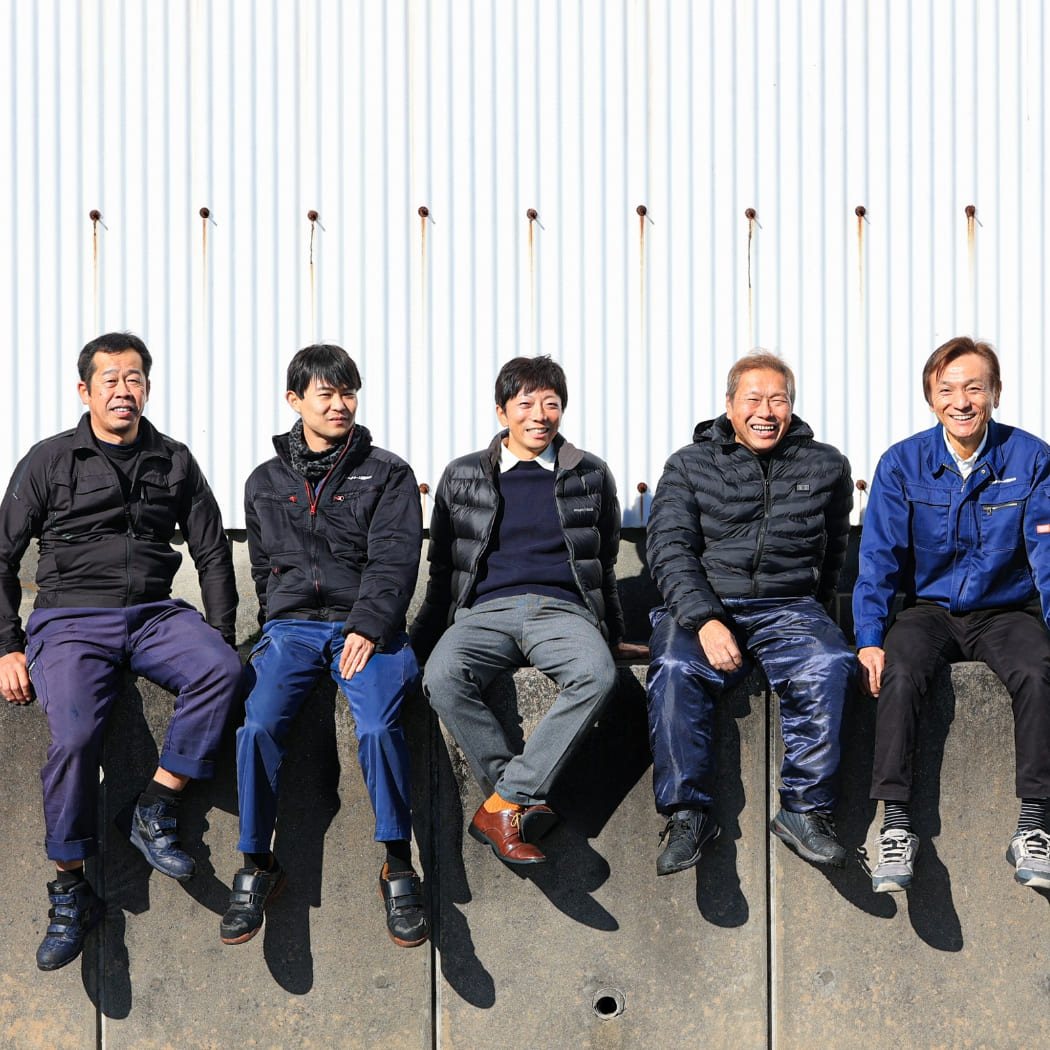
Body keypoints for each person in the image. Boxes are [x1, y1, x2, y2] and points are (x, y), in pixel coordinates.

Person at [0, 331, 241, 971]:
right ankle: (70, 889)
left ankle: (155, 804)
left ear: (148, 388)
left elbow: (213, 551)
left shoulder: (174, 460)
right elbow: (0, 556)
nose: (123, 390)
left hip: (153, 613)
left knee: (222, 669)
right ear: (85, 391)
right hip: (71, 618)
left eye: (134, 379)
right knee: (75, 736)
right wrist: (6, 646)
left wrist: (219, 631)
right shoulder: (50, 460)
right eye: (110, 380)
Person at [221, 344, 427, 948]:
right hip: (291, 630)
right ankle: (258, 863)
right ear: (295, 400)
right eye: (326, 394)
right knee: (257, 726)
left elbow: (395, 560)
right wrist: (276, 621)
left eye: (348, 393)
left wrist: (368, 625)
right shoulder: (264, 481)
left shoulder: (387, 473)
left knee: (378, 726)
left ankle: (398, 864)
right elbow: (263, 568)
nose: (340, 405)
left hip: (365, 626)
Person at [411, 356, 645, 867]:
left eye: (551, 404)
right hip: (483, 611)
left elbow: (603, 564)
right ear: (502, 412)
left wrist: (613, 635)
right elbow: (443, 569)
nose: (540, 415)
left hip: (564, 611)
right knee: (442, 676)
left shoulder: (590, 473)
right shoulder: (463, 475)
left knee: (597, 675)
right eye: (526, 404)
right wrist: (420, 643)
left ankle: (504, 801)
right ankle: (514, 803)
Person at [645, 351, 855, 876]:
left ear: (791, 406)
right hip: (706, 602)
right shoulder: (689, 464)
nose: (766, 411)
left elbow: (833, 550)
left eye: (777, 400)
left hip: (788, 605)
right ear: (729, 405)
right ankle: (688, 815)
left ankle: (804, 811)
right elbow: (669, 549)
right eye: (753, 399)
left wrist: (817, 610)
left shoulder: (826, 465)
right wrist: (704, 618)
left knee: (830, 661)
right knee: (674, 668)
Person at [854, 336, 1050, 894]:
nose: (961, 401)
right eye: (947, 390)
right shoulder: (902, 463)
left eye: (974, 388)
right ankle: (896, 826)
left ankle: (1034, 825)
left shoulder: (1032, 459)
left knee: (1038, 670)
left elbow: (1047, 556)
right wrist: (869, 637)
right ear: (931, 398)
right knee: (899, 670)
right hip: (929, 611)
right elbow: (878, 558)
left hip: (1004, 610)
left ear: (996, 393)